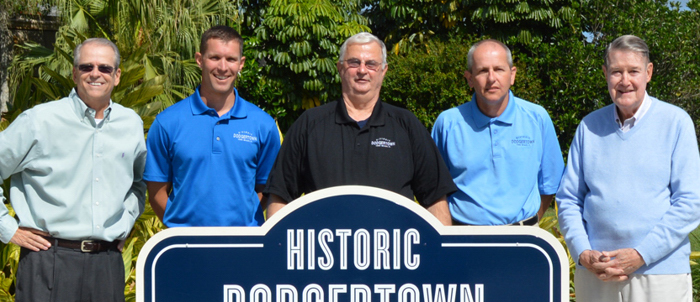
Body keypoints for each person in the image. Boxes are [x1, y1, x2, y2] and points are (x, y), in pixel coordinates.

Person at [0, 38, 146, 302]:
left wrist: (126, 220)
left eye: (105, 67)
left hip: (106, 265)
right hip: (48, 260)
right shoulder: (39, 120)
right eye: (87, 66)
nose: (96, 73)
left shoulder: (130, 124)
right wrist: (8, 229)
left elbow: (138, 184)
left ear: (117, 75)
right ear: (74, 72)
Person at [557, 35, 700, 302]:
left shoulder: (676, 123)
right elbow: (568, 199)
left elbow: (690, 203)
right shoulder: (588, 127)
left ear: (648, 72)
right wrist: (582, 252)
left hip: (657, 272)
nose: (625, 81)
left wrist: (641, 254)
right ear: (605, 73)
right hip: (598, 273)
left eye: (633, 71)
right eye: (616, 71)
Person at [264, 32, 456, 224]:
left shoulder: (406, 125)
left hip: (392, 251)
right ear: (340, 68)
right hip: (325, 250)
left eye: (371, 64)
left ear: (384, 70)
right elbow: (280, 196)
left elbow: (435, 198)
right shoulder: (309, 124)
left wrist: (440, 252)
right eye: (354, 62)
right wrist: (278, 248)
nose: (362, 70)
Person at [145, 25, 281, 227]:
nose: (223, 67)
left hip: (242, 245)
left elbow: (267, 189)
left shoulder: (263, 125)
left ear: (241, 64)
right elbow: (156, 190)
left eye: (231, 59)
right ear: (199, 60)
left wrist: (239, 222)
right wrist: (181, 229)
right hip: (186, 247)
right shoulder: (168, 122)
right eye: (215, 58)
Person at [431, 39, 564, 226]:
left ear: (512, 75)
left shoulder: (537, 118)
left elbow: (549, 185)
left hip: (523, 239)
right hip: (464, 239)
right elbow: (434, 190)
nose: (492, 78)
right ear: (469, 78)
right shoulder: (448, 123)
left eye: (499, 69)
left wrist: (527, 225)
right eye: (483, 71)